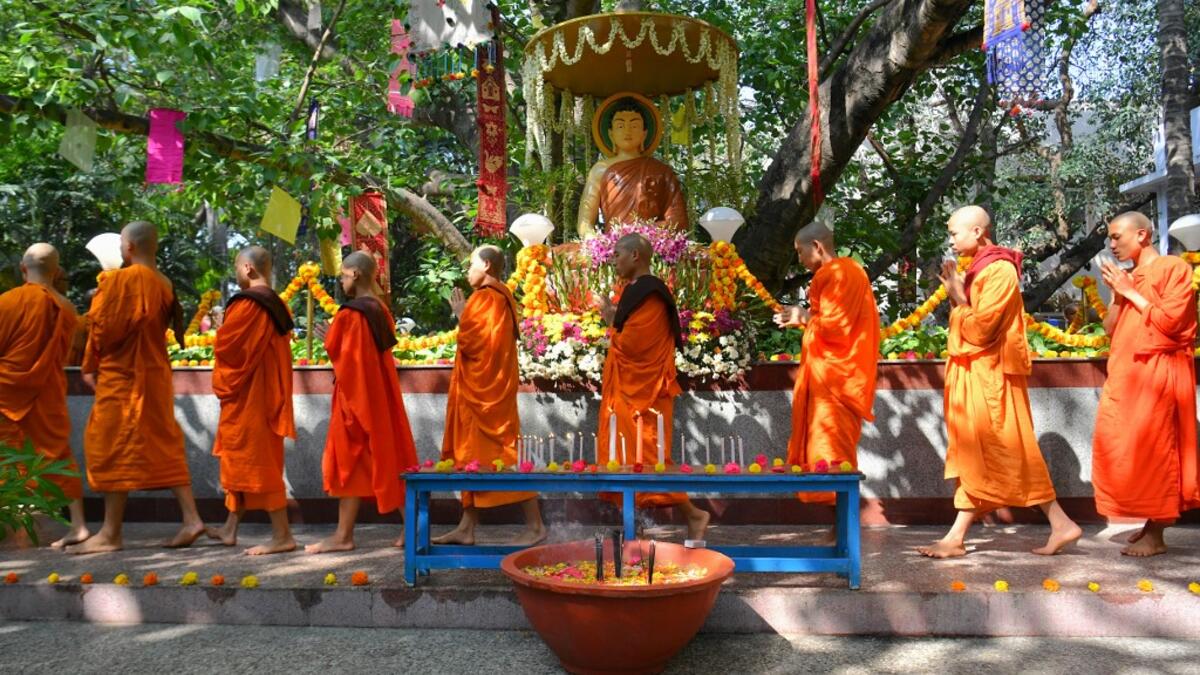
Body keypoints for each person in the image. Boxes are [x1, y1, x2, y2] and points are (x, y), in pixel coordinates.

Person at [918, 205, 1081, 558]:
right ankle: (957, 536)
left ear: (978, 232)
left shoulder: (1001, 270)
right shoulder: (978, 269)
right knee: (978, 454)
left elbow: (981, 329)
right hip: (976, 375)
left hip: (992, 378)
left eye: (954, 232)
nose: (951, 240)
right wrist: (958, 293)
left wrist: (958, 298)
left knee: (1007, 452)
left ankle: (1059, 522)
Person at [69, 221, 205, 554]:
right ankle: (191, 519)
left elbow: (103, 329)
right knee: (163, 439)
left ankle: (111, 533)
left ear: (128, 247)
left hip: (124, 375)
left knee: (111, 443)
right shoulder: (164, 282)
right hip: (155, 375)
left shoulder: (122, 280)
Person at [1093, 211, 1199, 556]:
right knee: (1122, 445)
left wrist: (1131, 292)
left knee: (1157, 446)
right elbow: (1111, 328)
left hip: (1159, 373)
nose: (1112, 245)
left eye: (1117, 237)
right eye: (1109, 238)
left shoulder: (1173, 268)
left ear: (1142, 235)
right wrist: (1119, 295)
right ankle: (1149, 523)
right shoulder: (1128, 276)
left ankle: (1158, 532)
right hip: (1127, 371)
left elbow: (1171, 322)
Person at [596, 233, 709, 540]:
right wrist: (611, 317)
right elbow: (625, 334)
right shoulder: (633, 290)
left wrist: (611, 324)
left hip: (644, 392)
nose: (613, 259)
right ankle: (636, 528)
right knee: (623, 456)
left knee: (648, 458)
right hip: (626, 389)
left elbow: (635, 345)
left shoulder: (651, 293)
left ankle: (694, 514)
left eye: (618, 253)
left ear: (636, 255)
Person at [433, 246, 546, 547]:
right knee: (473, 454)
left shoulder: (488, 298)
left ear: (485, 265)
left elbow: (477, 343)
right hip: (482, 389)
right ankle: (467, 526)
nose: (467, 271)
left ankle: (535, 525)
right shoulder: (499, 297)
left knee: (506, 455)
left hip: (487, 393)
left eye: (471, 265)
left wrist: (461, 316)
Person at [306, 252, 418, 553]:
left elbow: (352, 363)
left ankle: (345, 536)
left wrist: (331, 339)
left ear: (355, 274)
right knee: (378, 461)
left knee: (353, 462)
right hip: (379, 397)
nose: (341, 280)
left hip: (356, 401)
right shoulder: (380, 310)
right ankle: (356, 534)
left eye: (343, 274)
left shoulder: (352, 314)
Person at [775, 222, 879, 518]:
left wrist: (805, 316)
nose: (799, 259)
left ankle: (844, 528)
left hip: (835, 379)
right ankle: (840, 527)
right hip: (832, 374)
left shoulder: (838, 273)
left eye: (800, 252)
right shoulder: (849, 272)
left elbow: (838, 327)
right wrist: (805, 318)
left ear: (817, 247)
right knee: (828, 449)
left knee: (831, 451)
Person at [206, 246, 298, 555]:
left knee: (258, 464)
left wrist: (221, 333)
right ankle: (230, 528)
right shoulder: (277, 305)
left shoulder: (248, 305)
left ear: (247, 269)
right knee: (239, 461)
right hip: (262, 395)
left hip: (251, 399)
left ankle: (282, 535)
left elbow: (230, 350)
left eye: (236, 267)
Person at [0, 243, 88, 548]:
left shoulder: (6, 302)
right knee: (57, 453)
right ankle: (78, 525)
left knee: (6, 455)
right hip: (47, 391)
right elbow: (67, 352)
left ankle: (11, 526)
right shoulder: (66, 308)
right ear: (57, 272)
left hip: (6, 390)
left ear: (23, 269)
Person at [576, 96, 688, 237]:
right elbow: (585, 222)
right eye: (620, 126)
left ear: (644, 134)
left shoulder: (661, 171)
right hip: (613, 247)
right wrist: (595, 242)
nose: (627, 131)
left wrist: (645, 233)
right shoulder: (600, 169)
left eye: (634, 126)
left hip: (651, 244)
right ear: (611, 134)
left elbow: (678, 221)